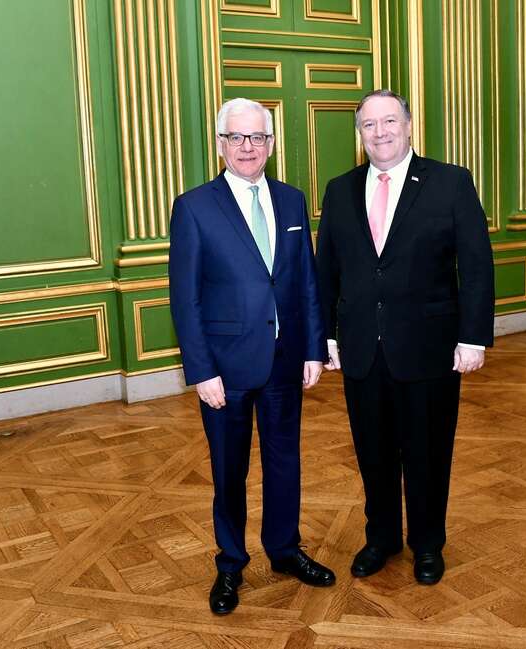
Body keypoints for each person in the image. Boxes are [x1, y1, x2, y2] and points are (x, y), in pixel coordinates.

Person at [316, 89, 494, 585]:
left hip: (431, 349)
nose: (381, 132)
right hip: (360, 350)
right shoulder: (339, 189)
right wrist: (325, 337)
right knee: (372, 452)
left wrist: (473, 337)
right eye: (369, 125)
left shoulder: (450, 182)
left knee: (428, 452)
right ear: (359, 134)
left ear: (409, 125)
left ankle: (428, 544)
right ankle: (382, 539)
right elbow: (326, 270)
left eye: (389, 121)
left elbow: (476, 267)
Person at [169, 98, 335, 615]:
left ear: (271, 143)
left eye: (258, 137)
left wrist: (312, 348)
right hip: (226, 370)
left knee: (286, 464)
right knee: (229, 471)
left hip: (286, 362)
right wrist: (201, 371)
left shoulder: (291, 200)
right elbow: (185, 297)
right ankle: (231, 564)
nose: (248, 147)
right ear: (220, 144)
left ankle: (285, 550)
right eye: (237, 138)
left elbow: (306, 280)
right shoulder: (194, 206)